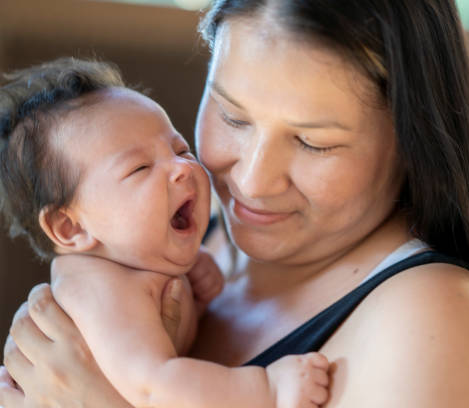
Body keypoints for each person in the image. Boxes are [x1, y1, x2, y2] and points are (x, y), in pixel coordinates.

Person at [0, 1, 469, 407]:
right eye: (232, 117)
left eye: (314, 142)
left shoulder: (438, 320)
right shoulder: (190, 256)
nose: (254, 183)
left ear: (412, 140)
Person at [0, 58, 330, 408]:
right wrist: (268, 389)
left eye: (180, 149)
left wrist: (194, 301)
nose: (181, 169)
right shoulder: (102, 291)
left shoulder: (143, 262)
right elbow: (154, 387)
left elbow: (158, 340)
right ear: (71, 228)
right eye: (140, 168)